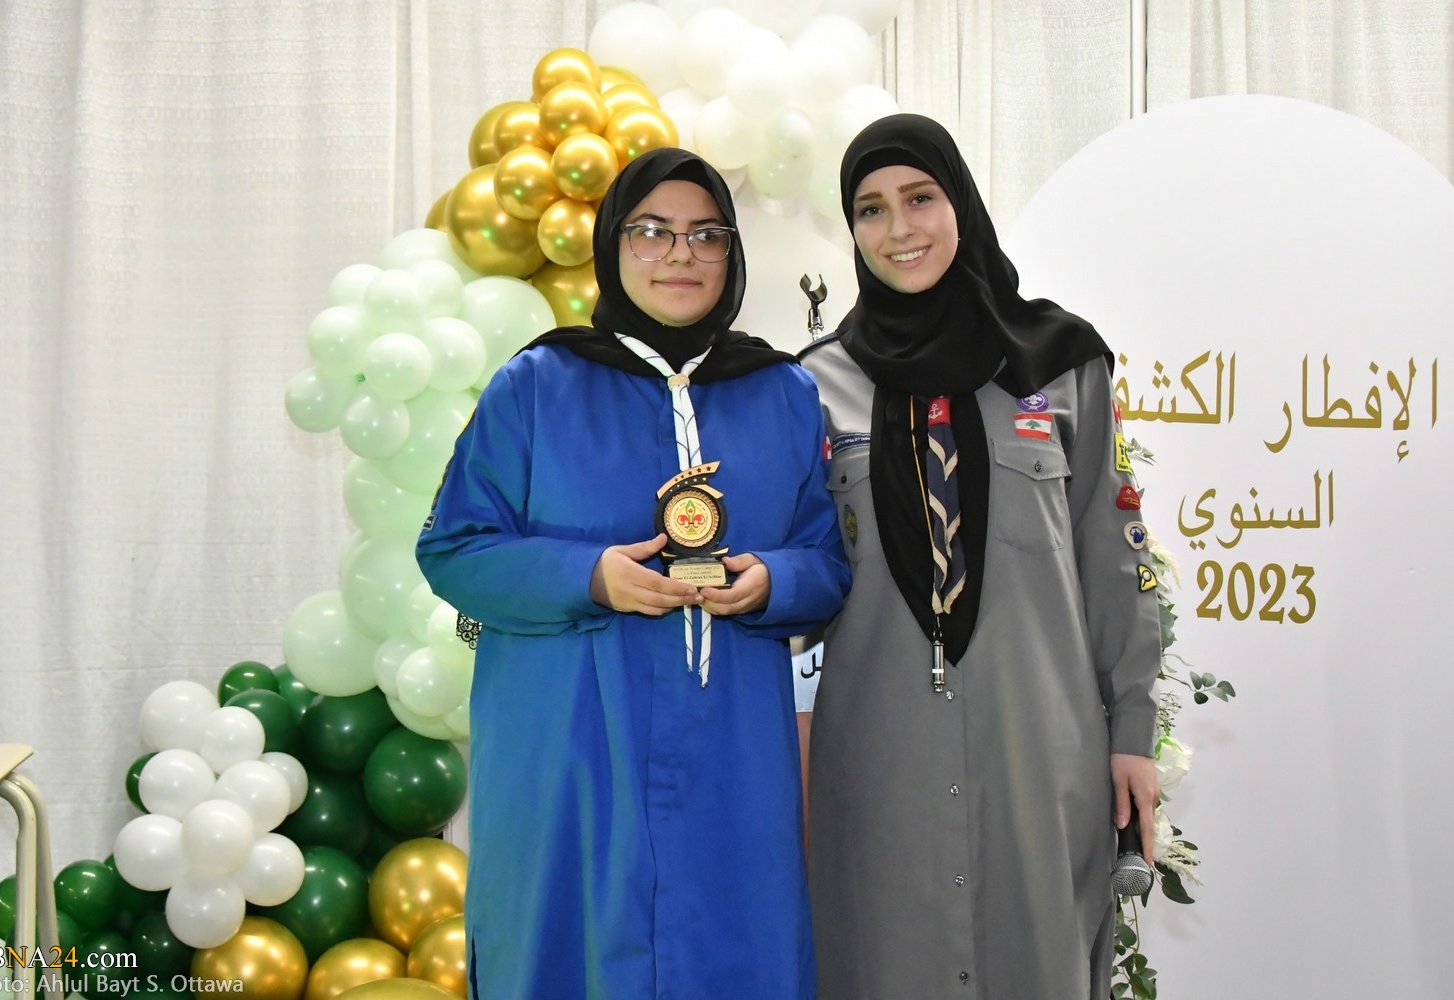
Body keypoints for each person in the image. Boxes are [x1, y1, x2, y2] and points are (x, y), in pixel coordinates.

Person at [416, 147, 851, 1000]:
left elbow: (828, 562)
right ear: (613, 243)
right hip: (569, 746)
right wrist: (590, 577)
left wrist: (773, 582)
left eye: (706, 235)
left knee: (737, 949)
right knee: (567, 949)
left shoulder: (782, 393)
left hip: (732, 751)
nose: (680, 255)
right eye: (652, 232)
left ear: (731, 253)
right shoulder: (537, 385)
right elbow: (455, 548)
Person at [799, 113, 1162, 999]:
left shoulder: (1061, 364)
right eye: (870, 209)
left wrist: (1133, 732)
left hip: (1038, 752)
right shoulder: (814, 383)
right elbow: (799, 575)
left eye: (920, 198)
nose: (899, 228)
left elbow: (1113, 562)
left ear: (959, 201)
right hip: (878, 761)